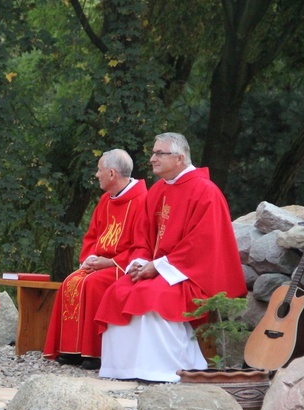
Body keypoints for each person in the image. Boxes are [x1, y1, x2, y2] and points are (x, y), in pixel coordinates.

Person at [95, 132, 246, 382]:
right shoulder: (157, 191)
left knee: (152, 295)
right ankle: (124, 368)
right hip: (160, 269)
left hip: (190, 275)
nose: (152, 158)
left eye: (159, 153)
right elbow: (142, 237)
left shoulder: (206, 191)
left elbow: (202, 245)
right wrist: (141, 262)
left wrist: (159, 266)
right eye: (153, 153)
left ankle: (163, 369)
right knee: (118, 291)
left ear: (179, 158)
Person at [42, 149, 147, 370]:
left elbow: (143, 244)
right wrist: (90, 258)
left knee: (92, 284)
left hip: (122, 265)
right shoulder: (105, 200)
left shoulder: (142, 201)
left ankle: (95, 353)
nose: (96, 175)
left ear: (111, 173)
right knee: (71, 281)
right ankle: (72, 350)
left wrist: (110, 262)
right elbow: (92, 236)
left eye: (99, 171)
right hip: (100, 262)